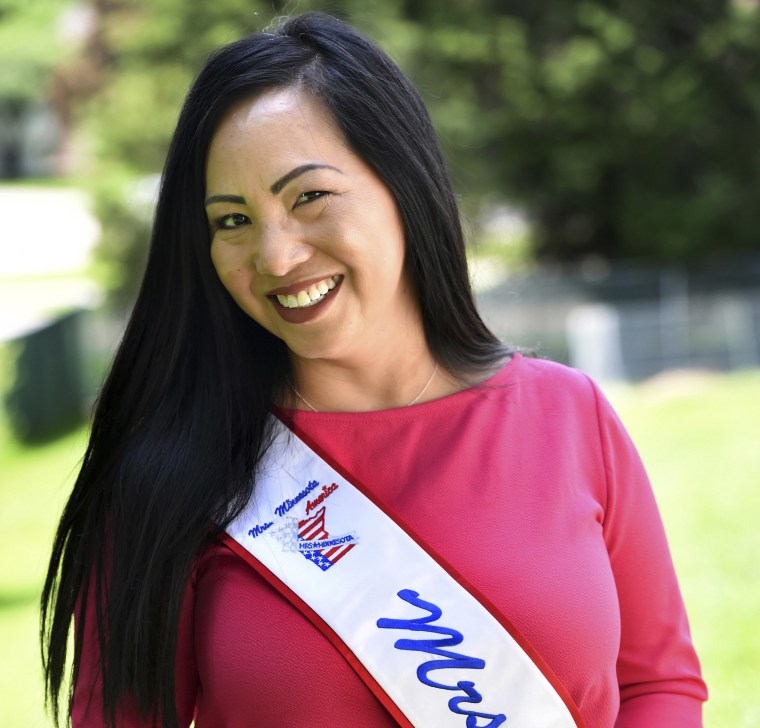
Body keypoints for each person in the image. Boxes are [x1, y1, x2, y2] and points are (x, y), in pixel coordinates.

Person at [41, 11, 707, 728]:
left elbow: (657, 686)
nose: (275, 255)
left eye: (309, 197)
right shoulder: (171, 472)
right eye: (232, 220)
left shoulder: (569, 416)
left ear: (402, 182)